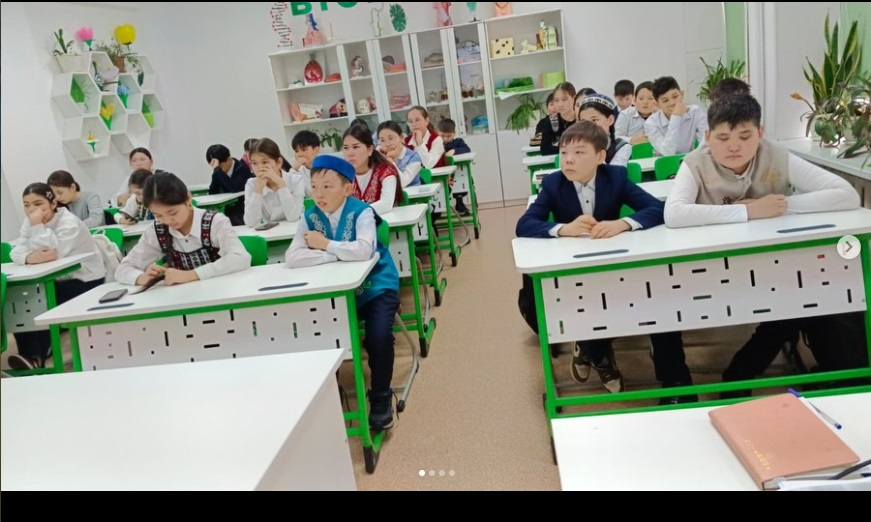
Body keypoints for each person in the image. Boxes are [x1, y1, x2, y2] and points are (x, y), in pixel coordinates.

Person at [663, 93, 860, 397]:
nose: (734, 146)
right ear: (708, 137)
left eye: (745, 136)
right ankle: (685, 380)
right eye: (723, 138)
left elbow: (846, 194)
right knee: (663, 303)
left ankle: (741, 373)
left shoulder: (776, 156)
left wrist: (780, 205)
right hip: (710, 266)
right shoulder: (695, 163)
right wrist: (748, 212)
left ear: (760, 133)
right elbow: (674, 214)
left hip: (772, 266)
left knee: (804, 299)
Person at [516, 121, 693, 403]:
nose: (568, 160)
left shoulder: (615, 177)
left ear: (601, 156)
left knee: (658, 299)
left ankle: (675, 383)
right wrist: (563, 229)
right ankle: (595, 351)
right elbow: (524, 225)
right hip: (573, 269)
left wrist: (623, 223)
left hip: (614, 264)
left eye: (579, 152)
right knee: (587, 310)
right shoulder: (553, 183)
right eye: (564, 152)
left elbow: (657, 209)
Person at [285, 155, 400, 431]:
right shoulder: (309, 215)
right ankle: (329, 393)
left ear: (347, 189)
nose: (319, 194)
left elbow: (364, 250)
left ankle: (381, 396)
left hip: (375, 286)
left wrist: (324, 244)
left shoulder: (362, 212)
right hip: (332, 290)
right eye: (314, 187)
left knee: (379, 337)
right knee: (316, 334)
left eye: (327, 186)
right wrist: (334, 254)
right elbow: (293, 257)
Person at [6, 183, 106, 370]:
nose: (32, 210)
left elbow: (53, 254)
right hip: (56, 279)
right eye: (26, 205)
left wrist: (37, 227)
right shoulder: (29, 222)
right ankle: (30, 356)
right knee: (22, 299)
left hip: (85, 279)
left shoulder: (69, 222)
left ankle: (36, 355)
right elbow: (16, 251)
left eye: (38, 204)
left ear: (53, 204)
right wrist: (29, 257)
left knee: (40, 300)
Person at [115, 172, 251, 287]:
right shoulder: (157, 230)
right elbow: (123, 269)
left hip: (222, 290)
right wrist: (142, 277)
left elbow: (241, 258)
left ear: (188, 199)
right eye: (158, 215)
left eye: (173, 213)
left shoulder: (215, 222)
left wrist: (192, 275)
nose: (167, 221)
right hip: (183, 298)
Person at [242, 138, 305, 227]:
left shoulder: (296, 180)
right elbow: (250, 223)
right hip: (270, 233)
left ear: (278, 162)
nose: (259, 167)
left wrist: (281, 184)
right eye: (254, 163)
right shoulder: (251, 184)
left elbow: (293, 217)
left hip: (297, 230)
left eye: (264, 162)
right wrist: (258, 190)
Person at [343, 124, 402, 216]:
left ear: (370, 150)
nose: (350, 153)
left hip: (387, 222)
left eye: (355, 147)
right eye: (346, 148)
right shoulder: (343, 175)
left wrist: (356, 213)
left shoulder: (386, 171)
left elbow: (386, 204)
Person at [645, 76, 708, 156]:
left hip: (688, 159)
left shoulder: (695, 111)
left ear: (682, 94)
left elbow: (706, 141)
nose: (672, 103)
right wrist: (676, 117)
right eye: (665, 100)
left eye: (675, 96)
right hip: (663, 161)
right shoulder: (651, 123)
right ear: (657, 104)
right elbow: (668, 152)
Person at [577, 94, 632, 167]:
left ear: (610, 120)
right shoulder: (576, 146)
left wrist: (599, 143)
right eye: (584, 122)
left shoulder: (622, 147)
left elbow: (612, 173)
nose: (588, 126)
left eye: (594, 120)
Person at [206, 144, 253, 226]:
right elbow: (212, 192)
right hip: (228, 210)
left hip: (244, 209)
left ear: (229, 159)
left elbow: (234, 188)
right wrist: (217, 172)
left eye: (219, 166)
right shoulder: (218, 172)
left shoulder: (242, 168)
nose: (217, 169)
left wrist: (218, 171)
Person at [437, 118, 473, 215]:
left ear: (454, 133)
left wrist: (454, 150)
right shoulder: (437, 144)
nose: (445, 139)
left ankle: (459, 203)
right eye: (442, 136)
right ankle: (439, 207)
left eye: (449, 136)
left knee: (462, 180)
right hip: (443, 174)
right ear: (438, 132)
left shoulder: (458, 142)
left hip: (457, 174)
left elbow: (467, 149)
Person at [377, 121, 422, 188]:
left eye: (391, 138)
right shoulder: (380, 155)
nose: (387, 144)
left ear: (401, 137)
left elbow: (402, 183)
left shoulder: (414, 157)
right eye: (382, 140)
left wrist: (390, 159)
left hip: (412, 193)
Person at [540, 82, 578, 156]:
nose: (560, 104)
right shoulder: (551, 121)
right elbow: (544, 150)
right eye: (556, 100)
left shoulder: (581, 119)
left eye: (564, 99)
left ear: (574, 98)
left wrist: (559, 147)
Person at [289, 130, 321, 197]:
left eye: (304, 149)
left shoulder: (327, 168)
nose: (299, 154)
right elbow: (290, 191)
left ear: (316, 150)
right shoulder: (297, 171)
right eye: (296, 151)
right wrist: (294, 169)